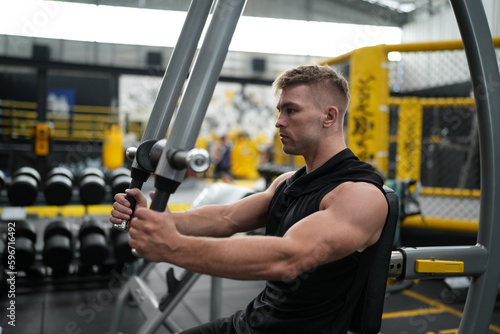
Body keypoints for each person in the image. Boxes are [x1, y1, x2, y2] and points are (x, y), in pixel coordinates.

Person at [110, 64, 389, 334]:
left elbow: (288, 260)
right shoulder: (287, 182)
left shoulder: (359, 195)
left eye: (291, 110)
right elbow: (227, 218)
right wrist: (160, 218)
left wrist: (173, 247)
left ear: (329, 117)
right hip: (251, 323)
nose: (279, 121)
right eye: (280, 111)